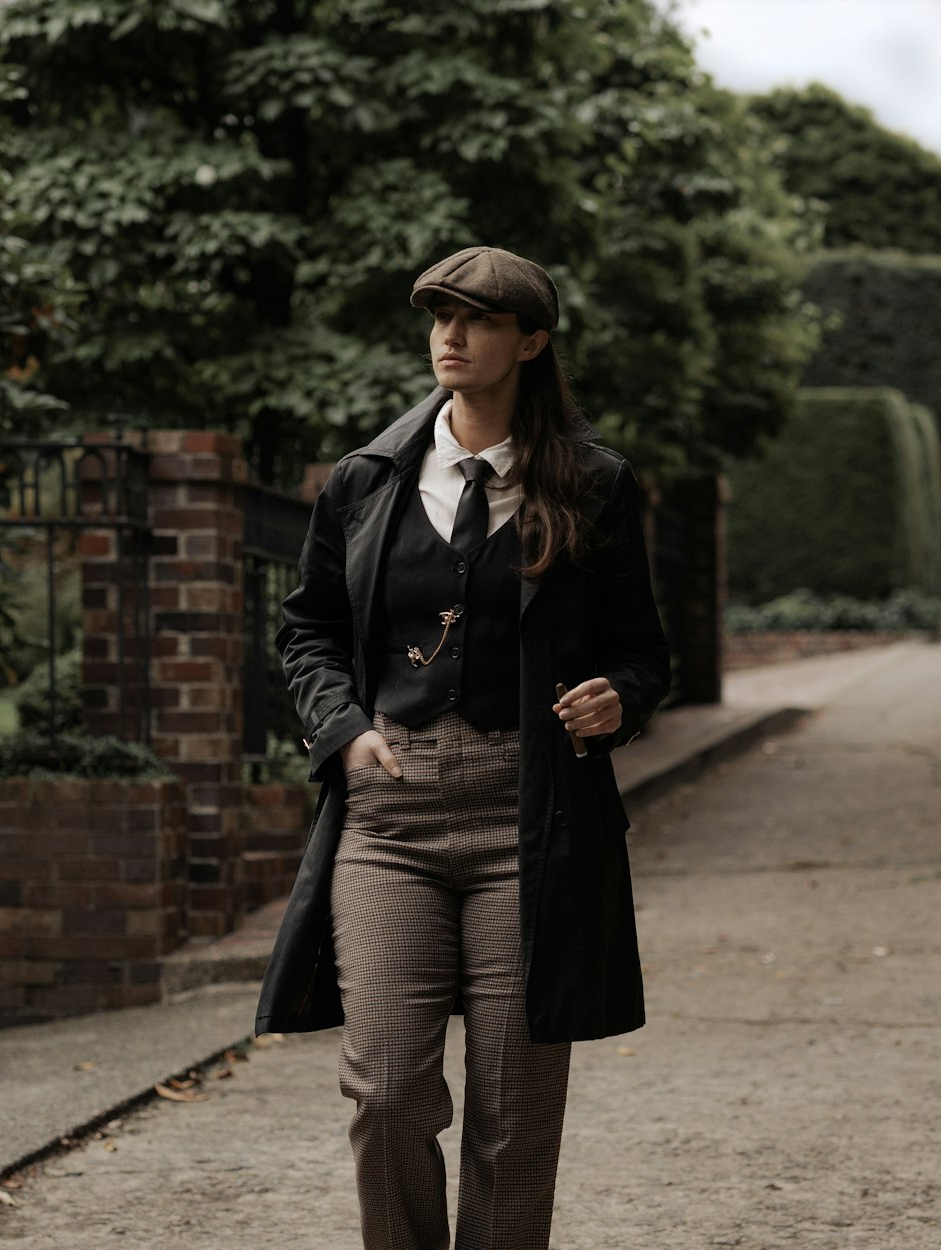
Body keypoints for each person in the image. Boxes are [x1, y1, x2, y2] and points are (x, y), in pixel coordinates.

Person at [255, 245, 670, 1250]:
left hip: (529, 820)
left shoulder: (594, 485)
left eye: (477, 319)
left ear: (528, 341)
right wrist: (343, 733)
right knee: (389, 1087)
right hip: (388, 821)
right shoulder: (365, 481)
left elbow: (644, 653)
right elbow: (305, 629)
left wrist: (620, 695)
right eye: (439, 314)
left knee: (514, 1105)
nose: (450, 334)